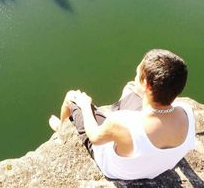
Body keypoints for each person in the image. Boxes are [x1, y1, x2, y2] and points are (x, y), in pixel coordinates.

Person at [49, 49, 195, 180]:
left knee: (71, 97)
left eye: (138, 74)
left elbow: (94, 137)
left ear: (147, 85)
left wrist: (85, 105)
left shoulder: (122, 123)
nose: (135, 74)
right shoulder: (186, 112)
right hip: (154, 169)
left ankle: (61, 129)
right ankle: (121, 102)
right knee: (130, 88)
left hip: (117, 170)